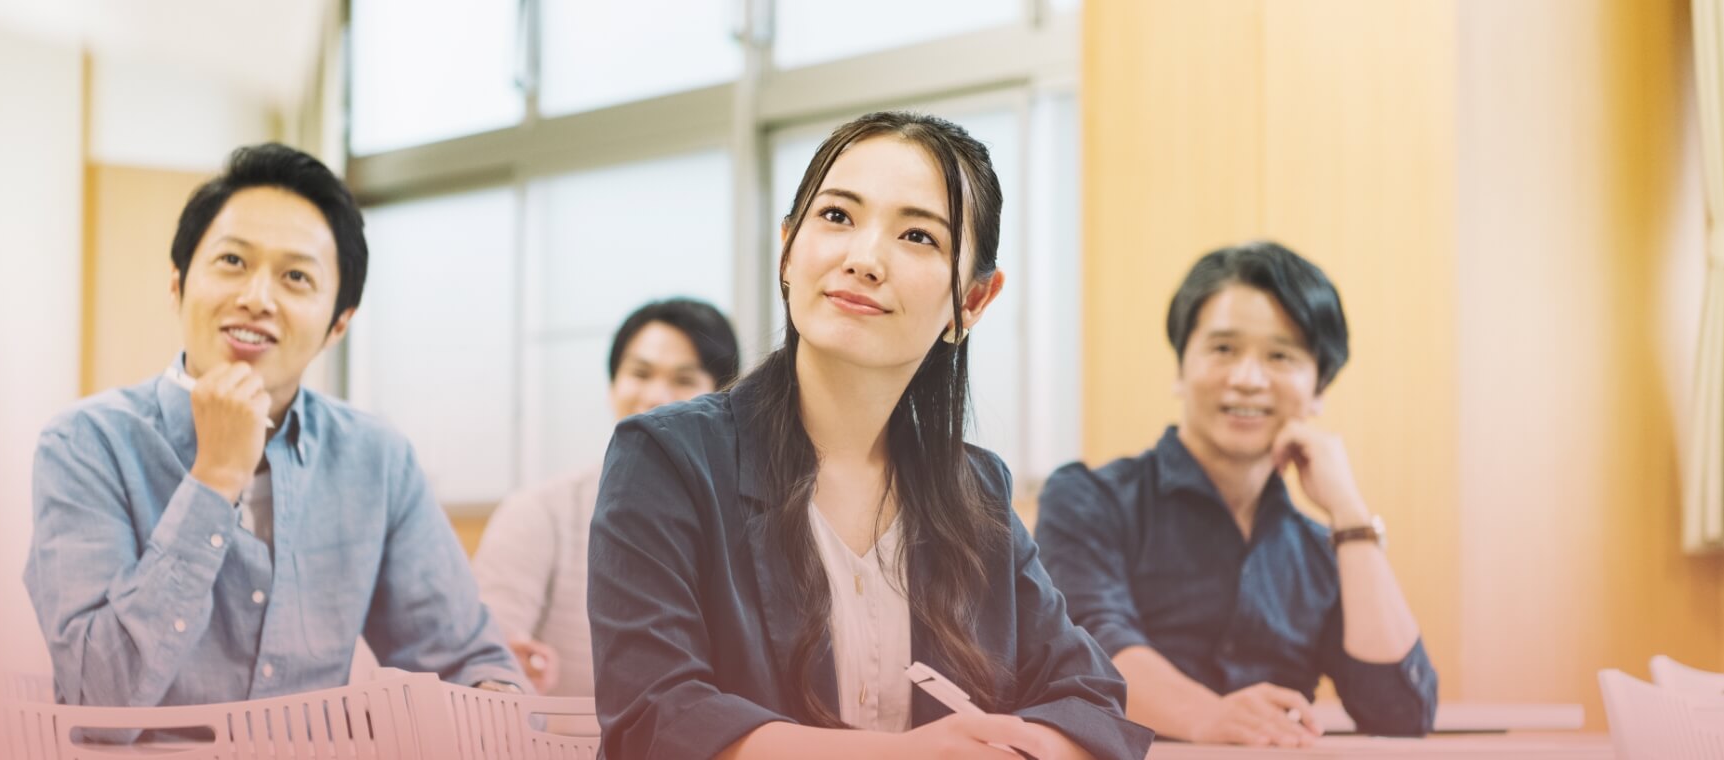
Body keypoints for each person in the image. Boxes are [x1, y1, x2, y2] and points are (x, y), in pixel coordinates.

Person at [588, 111, 1153, 760]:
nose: (864, 259)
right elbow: (654, 722)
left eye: (917, 235)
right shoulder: (666, 458)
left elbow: (1093, 701)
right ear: (787, 250)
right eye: (836, 217)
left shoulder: (977, 490)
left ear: (972, 303)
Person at [23, 143, 526, 710]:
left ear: (339, 323)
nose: (256, 298)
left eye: (295, 277)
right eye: (232, 261)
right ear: (177, 283)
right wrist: (214, 478)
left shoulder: (376, 459)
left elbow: (460, 658)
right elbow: (99, 698)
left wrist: (497, 695)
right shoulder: (85, 444)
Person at [1035, 241, 1437, 746]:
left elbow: (1401, 711)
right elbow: (1090, 645)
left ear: (1318, 390)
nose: (1247, 379)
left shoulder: (1322, 550)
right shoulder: (1088, 499)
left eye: (1280, 356)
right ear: (1182, 368)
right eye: (1223, 349)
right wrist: (1209, 718)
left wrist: (1350, 515)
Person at [472, 297, 740, 697]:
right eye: (640, 373)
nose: (655, 396)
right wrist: (508, 669)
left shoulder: (743, 519)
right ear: (613, 383)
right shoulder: (539, 512)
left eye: (683, 380)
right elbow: (488, 655)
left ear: (720, 399)